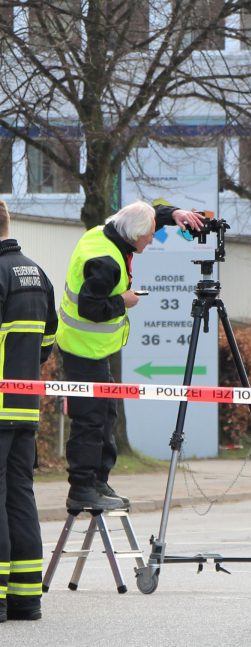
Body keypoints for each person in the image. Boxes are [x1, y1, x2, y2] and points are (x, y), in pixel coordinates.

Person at [57, 201, 203, 511]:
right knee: (91, 420)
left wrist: (173, 215)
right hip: (84, 350)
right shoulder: (105, 261)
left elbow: (147, 212)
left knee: (107, 414)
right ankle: (82, 488)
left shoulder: (104, 233)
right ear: (135, 234)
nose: (152, 240)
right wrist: (124, 301)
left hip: (94, 350)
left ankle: (98, 480)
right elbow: (91, 308)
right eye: (150, 236)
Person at [0, 200, 58, 622]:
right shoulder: (37, 273)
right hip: (24, 406)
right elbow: (46, 344)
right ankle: (25, 597)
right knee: (20, 494)